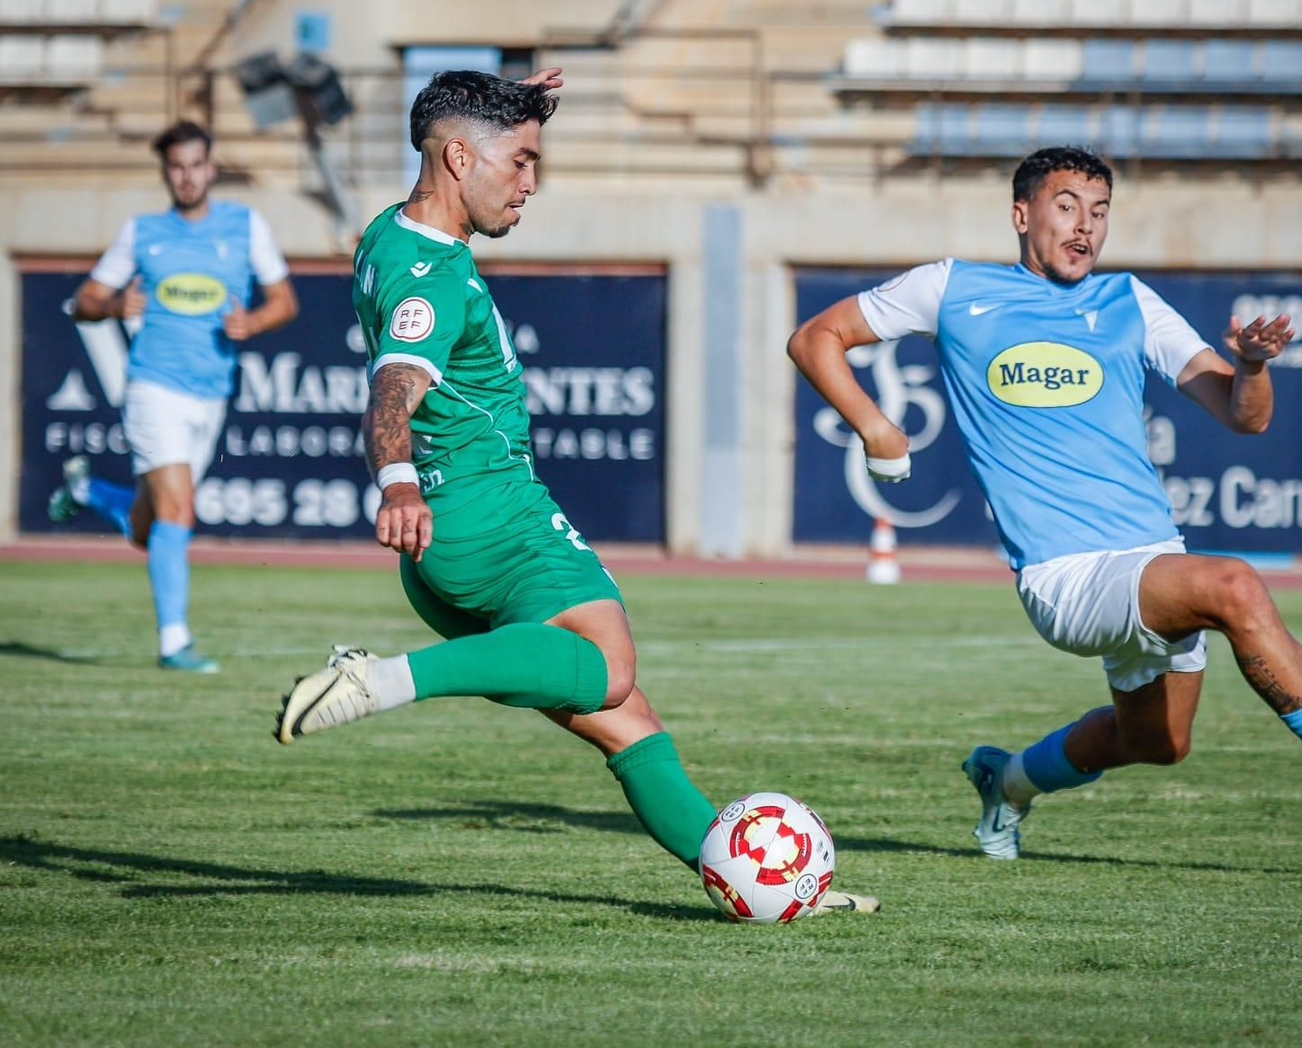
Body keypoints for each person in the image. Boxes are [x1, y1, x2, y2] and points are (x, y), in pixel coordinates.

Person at [274, 68, 875, 914]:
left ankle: (768, 888)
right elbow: (391, 390)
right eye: (518, 161)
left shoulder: (387, 235)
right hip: (494, 521)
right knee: (611, 669)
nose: (530, 183)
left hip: (447, 548)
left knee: (633, 730)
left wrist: (502, 100)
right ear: (457, 157)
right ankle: (382, 681)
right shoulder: (434, 279)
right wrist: (399, 483)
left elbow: (445, 174)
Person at [789, 145, 1302, 859]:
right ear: (1022, 214)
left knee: (1158, 742)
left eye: (1099, 212)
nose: (1085, 227)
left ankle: (1007, 782)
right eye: (1067, 206)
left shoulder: (1128, 301)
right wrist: (878, 426)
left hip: (1148, 563)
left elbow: (1244, 414)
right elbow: (815, 337)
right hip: (1064, 577)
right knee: (1233, 585)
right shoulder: (952, 288)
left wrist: (1253, 366)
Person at [48, 120, 299, 674]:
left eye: (195, 165)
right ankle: (174, 643)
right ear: (166, 172)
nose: (186, 176)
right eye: (176, 167)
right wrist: (116, 307)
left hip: (212, 395)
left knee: (152, 526)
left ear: (211, 167)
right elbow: (85, 299)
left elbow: (284, 301)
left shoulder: (244, 225)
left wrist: (252, 321)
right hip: (152, 385)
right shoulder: (142, 233)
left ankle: (87, 488)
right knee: (179, 510)